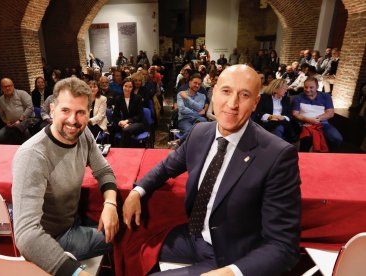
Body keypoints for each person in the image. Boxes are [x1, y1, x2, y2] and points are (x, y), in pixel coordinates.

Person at [123, 64, 301, 276]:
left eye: (244, 95)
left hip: (230, 255)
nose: (232, 104)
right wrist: (138, 190)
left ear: (255, 103)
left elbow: (283, 246)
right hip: (192, 235)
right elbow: (166, 167)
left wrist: (232, 273)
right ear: (213, 94)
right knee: (128, 239)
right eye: (226, 91)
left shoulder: (278, 155)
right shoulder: (200, 132)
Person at [12, 77, 119, 276]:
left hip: (72, 219)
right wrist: (75, 273)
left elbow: (103, 170)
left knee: (123, 220)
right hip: (52, 237)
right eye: (65, 110)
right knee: (123, 235)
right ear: (52, 109)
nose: (73, 120)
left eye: (80, 112)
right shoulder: (32, 156)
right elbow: (27, 236)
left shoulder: (83, 133)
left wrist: (110, 204)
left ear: (89, 113)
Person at [292, 77, 343, 152]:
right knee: (307, 138)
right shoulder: (298, 97)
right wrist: (308, 120)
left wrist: (317, 119)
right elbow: (295, 114)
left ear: (317, 87)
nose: (308, 90)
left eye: (311, 87)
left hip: (323, 124)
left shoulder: (326, 97)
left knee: (337, 138)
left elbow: (330, 113)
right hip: (304, 124)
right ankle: (303, 159)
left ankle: (329, 158)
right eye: (306, 87)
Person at [254, 79, 298, 143]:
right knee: (278, 127)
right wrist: (273, 117)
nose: (286, 91)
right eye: (284, 88)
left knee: (279, 127)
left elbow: (289, 115)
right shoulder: (263, 98)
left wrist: (283, 117)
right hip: (268, 121)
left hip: (282, 122)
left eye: (286, 88)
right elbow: (258, 113)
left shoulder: (286, 99)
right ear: (275, 89)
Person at [0, 78, 34, 144]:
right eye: (5, 87)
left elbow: (30, 107)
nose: (7, 88)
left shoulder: (22, 93)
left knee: (24, 133)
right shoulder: (0, 100)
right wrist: (6, 122)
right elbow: (1, 114)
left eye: (9, 86)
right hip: (11, 124)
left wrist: (20, 120)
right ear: (1, 88)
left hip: (25, 121)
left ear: (13, 85)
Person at [112, 78, 145, 148]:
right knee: (119, 129)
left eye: (130, 87)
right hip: (124, 124)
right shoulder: (118, 99)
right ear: (122, 86)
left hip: (138, 123)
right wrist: (120, 122)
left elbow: (140, 116)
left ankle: (122, 151)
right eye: (125, 86)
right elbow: (115, 115)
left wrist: (127, 121)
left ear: (133, 88)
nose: (127, 88)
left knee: (126, 130)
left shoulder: (138, 98)